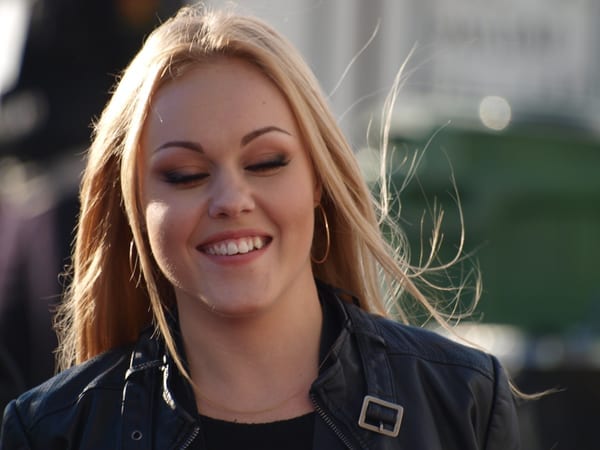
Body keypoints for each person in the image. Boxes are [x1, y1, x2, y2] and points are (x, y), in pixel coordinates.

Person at [0, 4, 520, 449]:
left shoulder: (463, 403)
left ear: (318, 180)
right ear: (135, 206)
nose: (231, 201)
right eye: (186, 174)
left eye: (266, 163)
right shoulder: (52, 431)